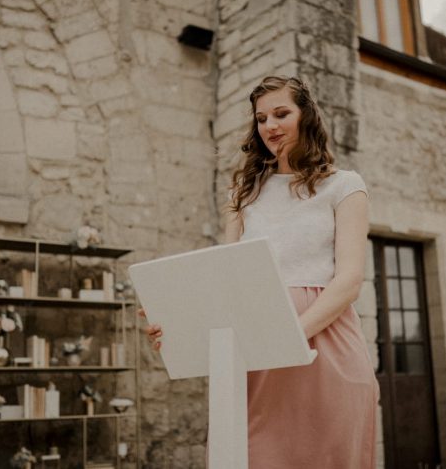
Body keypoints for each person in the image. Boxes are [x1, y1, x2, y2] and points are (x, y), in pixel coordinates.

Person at [141, 76, 378, 468]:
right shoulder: (243, 194)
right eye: (262, 118)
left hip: (326, 348)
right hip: (257, 355)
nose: (270, 126)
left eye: (282, 113)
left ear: (307, 117)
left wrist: (284, 336)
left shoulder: (345, 186)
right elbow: (226, 280)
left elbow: (349, 282)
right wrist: (178, 324)